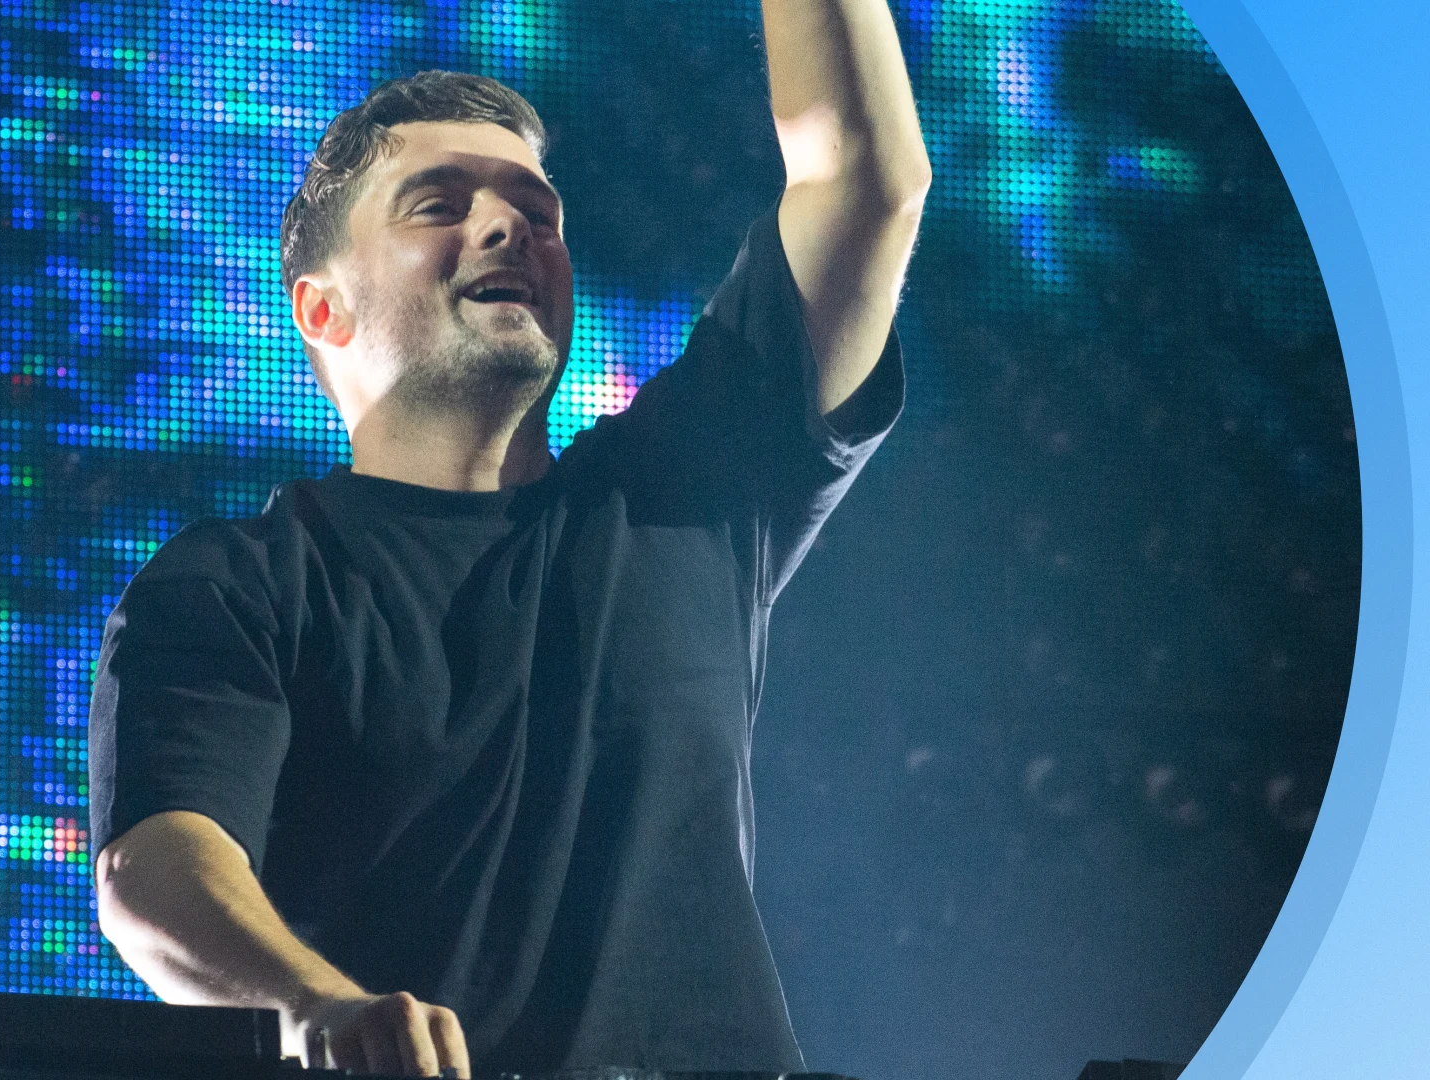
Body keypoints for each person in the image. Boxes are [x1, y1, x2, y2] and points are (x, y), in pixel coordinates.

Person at [88, 1, 928, 1075]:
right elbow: (157, 867)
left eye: (539, 212)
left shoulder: (680, 490)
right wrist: (317, 1009)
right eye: (440, 205)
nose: (508, 227)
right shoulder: (238, 582)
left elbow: (864, 182)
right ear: (322, 310)